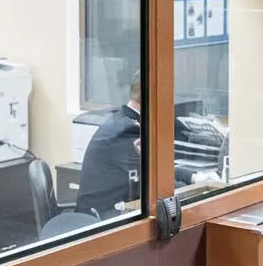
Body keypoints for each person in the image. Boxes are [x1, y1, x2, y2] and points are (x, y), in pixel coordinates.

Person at [74, 72, 221, 219]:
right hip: (101, 218)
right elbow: (155, 179)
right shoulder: (128, 130)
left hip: (119, 208)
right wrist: (196, 191)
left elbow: (156, 169)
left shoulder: (127, 120)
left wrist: (195, 177)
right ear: (151, 97)